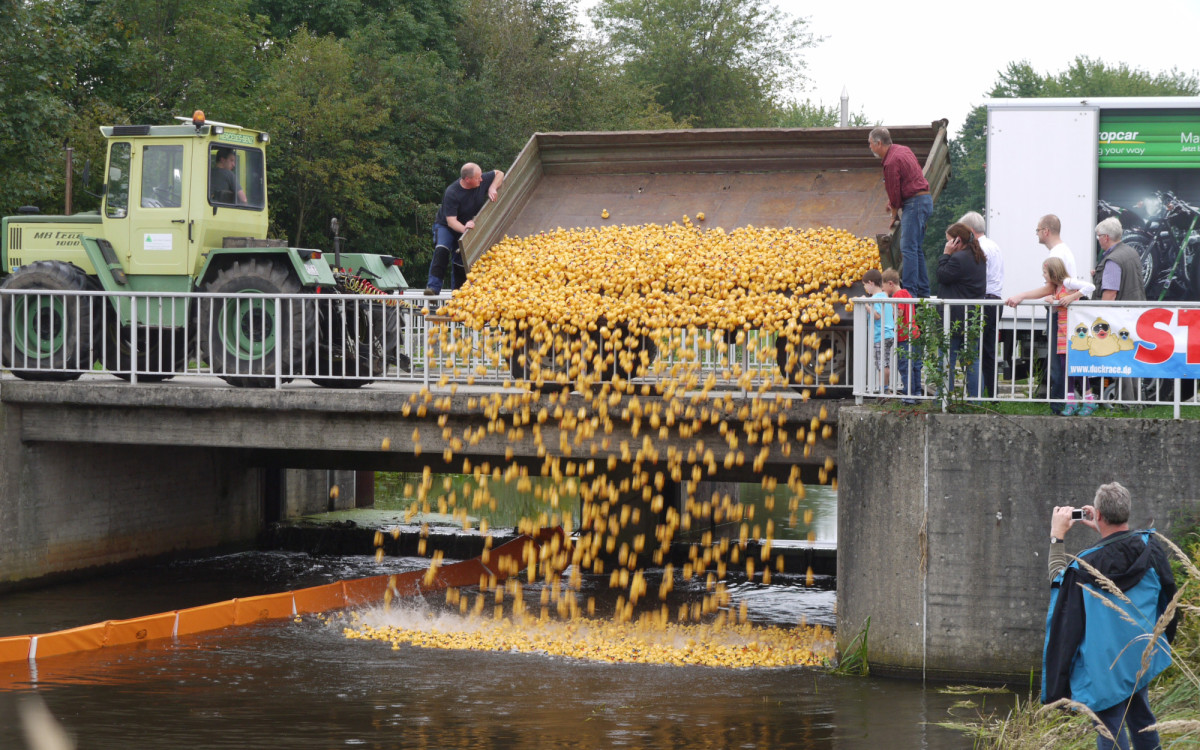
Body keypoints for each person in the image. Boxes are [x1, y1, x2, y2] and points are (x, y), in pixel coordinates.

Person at [1043, 482, 1178, 750]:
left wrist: (1057, 536)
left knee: (1110, 730)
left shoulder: (1085, 566)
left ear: (1099, 515)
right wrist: (1104, 532)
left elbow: (1059, 580)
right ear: (1126, 512)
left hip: (1104, 664)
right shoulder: (1150, 547)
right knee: (1142, 719)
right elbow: (1167, 595)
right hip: (1140, 651)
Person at [1014, 257, 1095, 415]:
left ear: (1053, 272)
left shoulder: (1068, 283)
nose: (1043, 276)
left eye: (1045, 272)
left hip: (1074, 333)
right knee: (1066, 368)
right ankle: (1070, 402)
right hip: (1062, 332)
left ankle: (1089, 400)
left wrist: (1072, 297)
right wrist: (1052, 301)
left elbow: (1090, 286)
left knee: (1077, 367)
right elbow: (1056, 310)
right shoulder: (1056, 289)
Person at [869, 127, 932, 298]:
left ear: (879, 143)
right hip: (924, 200)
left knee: (907, 248)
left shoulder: (890, 162)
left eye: (870, 144)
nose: (870, 148)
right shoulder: (903, 149)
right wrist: (894, 203)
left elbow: (894, 192)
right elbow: (907, 180)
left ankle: (909, 293)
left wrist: (894, 213)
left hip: (915, 204)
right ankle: (924, 292)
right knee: (916, 248)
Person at [425, 163, 505, 295]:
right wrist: (465, 230)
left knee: (461, 260)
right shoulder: (452, 193)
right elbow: (451, 221)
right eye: (478, 178)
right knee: (442, 248)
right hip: (447, 226)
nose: (481, 180)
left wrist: (492, 187)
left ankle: (458, 294)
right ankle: (433, 288)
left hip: (466, 226)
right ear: (468, 179)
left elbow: (499, 173)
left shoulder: (481, 181)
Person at [1094, 217, 1146, 401]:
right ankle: (1134, 401)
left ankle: (1126, 402)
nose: (1098, 239)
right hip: (1134, 314)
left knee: (1121, 361)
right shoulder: (1131, 252)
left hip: (1119, 319)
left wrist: (1098, 320)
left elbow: (1110, 294)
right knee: (1131, 360)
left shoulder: (1113, 260)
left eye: (1099, 236)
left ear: (1106, 237)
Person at [936, 222, 987, 398]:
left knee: (946, 361)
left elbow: (942, 276)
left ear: (958, 240)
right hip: (972, 317)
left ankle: (943, 400)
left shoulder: (957, 259)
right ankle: (975, 400)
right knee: (972, 361)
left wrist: (945, 255)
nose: (948, 245)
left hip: (954, 318)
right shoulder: (977, 256)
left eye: (949, 241)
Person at [959, 212, 1003, 397]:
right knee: (989, 349)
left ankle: (977, 391)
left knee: (972, 348)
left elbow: (974, 276)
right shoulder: (994, 246)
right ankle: (992, 393)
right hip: (996, 299)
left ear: (969, 230)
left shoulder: (979, 249)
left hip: (982, 300)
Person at [882, 268, 921, 403]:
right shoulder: (907, 294)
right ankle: (916, 393)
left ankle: (908, 395)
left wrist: (888, 307)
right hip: (914, 333)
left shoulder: (898, 296)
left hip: (904, 336)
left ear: (891, 284)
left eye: (884, 287)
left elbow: (899, 313)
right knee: (915, 365)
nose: (883, 290)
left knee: (905, 366)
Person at [862, 269, 895, 392]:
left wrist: (867, 305)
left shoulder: (875, 298)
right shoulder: (885, 296)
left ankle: (883, 390)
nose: (866, 289)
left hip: (880, 335)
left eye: (865, 285)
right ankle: (885, 388)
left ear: (870, 283)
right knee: (884, 362)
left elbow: (877, 315)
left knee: (882, 364)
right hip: (889, 333)